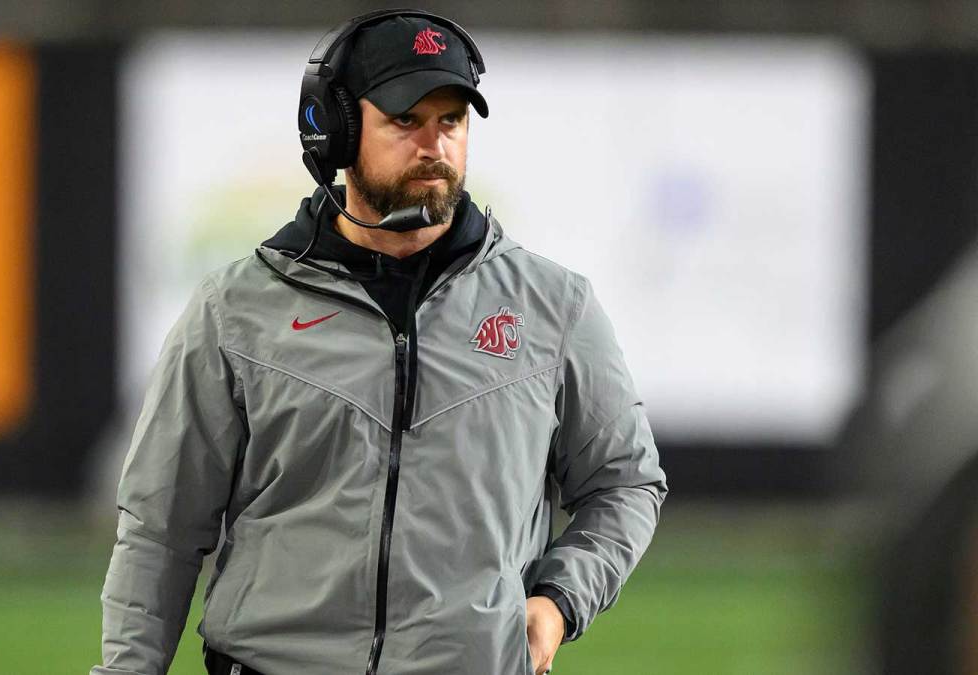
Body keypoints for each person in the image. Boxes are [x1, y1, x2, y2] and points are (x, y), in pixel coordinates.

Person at [93, 10, 667, 675]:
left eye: (451, 120)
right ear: (334, 131)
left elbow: (626, 482)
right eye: (405, 120)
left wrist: (561, 597)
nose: (435, 145)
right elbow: (160, 527)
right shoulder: (235, 310)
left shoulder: (555, 307)